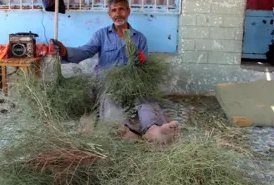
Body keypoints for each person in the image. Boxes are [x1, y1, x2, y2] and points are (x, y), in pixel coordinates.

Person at [48, 0, 180, 143]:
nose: (118, 13)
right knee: (110, 99)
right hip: (108, 83)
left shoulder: (139, 38)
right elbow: (84, 51)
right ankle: (123, 129)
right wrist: (64, 50)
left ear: (128, 11)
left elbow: (144, 68)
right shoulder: (101, 35)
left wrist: (142, 61)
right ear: (109, 14)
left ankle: (154, 130)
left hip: (133, 83)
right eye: (114, 10)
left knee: (145, 98)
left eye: (121, 9)